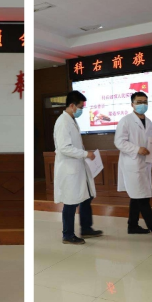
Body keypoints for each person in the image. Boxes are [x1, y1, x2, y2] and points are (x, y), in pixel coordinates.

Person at [114, 91, 152, 239]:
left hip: (145, 163)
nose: (142, 105)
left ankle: (132, 225)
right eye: (139, 102)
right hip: (132, 164)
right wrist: (137, 149)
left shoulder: (149, 122)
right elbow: (119, 142)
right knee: (142, 197)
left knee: (137, 195)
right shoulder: (125, 121)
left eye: (145, 102)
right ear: (132, 104)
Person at [53, 90, 102, 244]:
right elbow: (64, 148)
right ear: (72, 105)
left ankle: (86, 228)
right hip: (69, 168)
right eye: (81, 107)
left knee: (86, 196)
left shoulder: (71, 120)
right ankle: (67, 235)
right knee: (71, 202)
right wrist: (85, 154)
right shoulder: (63, 122)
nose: (82, 110)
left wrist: (84, 154)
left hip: (77, 167)